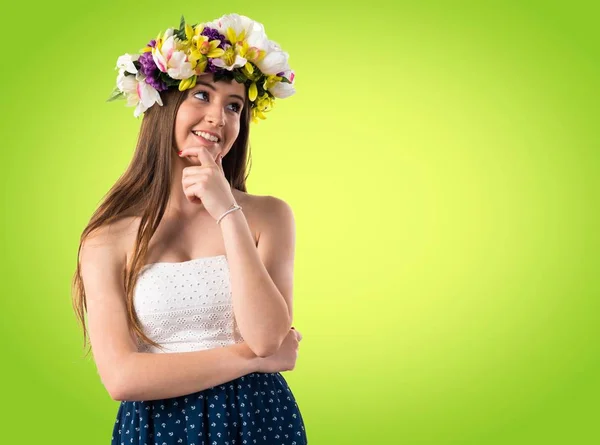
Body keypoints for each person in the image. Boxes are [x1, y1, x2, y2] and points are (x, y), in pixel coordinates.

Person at [71, 13, 307, 444]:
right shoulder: (107, 238)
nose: (219, 117)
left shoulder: (269, 216)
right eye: (202, 95)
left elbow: (269, 336)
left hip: (260, 421)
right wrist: (251, 360)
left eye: (234, 106)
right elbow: (122, 378)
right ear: (162, 105)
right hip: (157, 428)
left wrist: (227, 212)